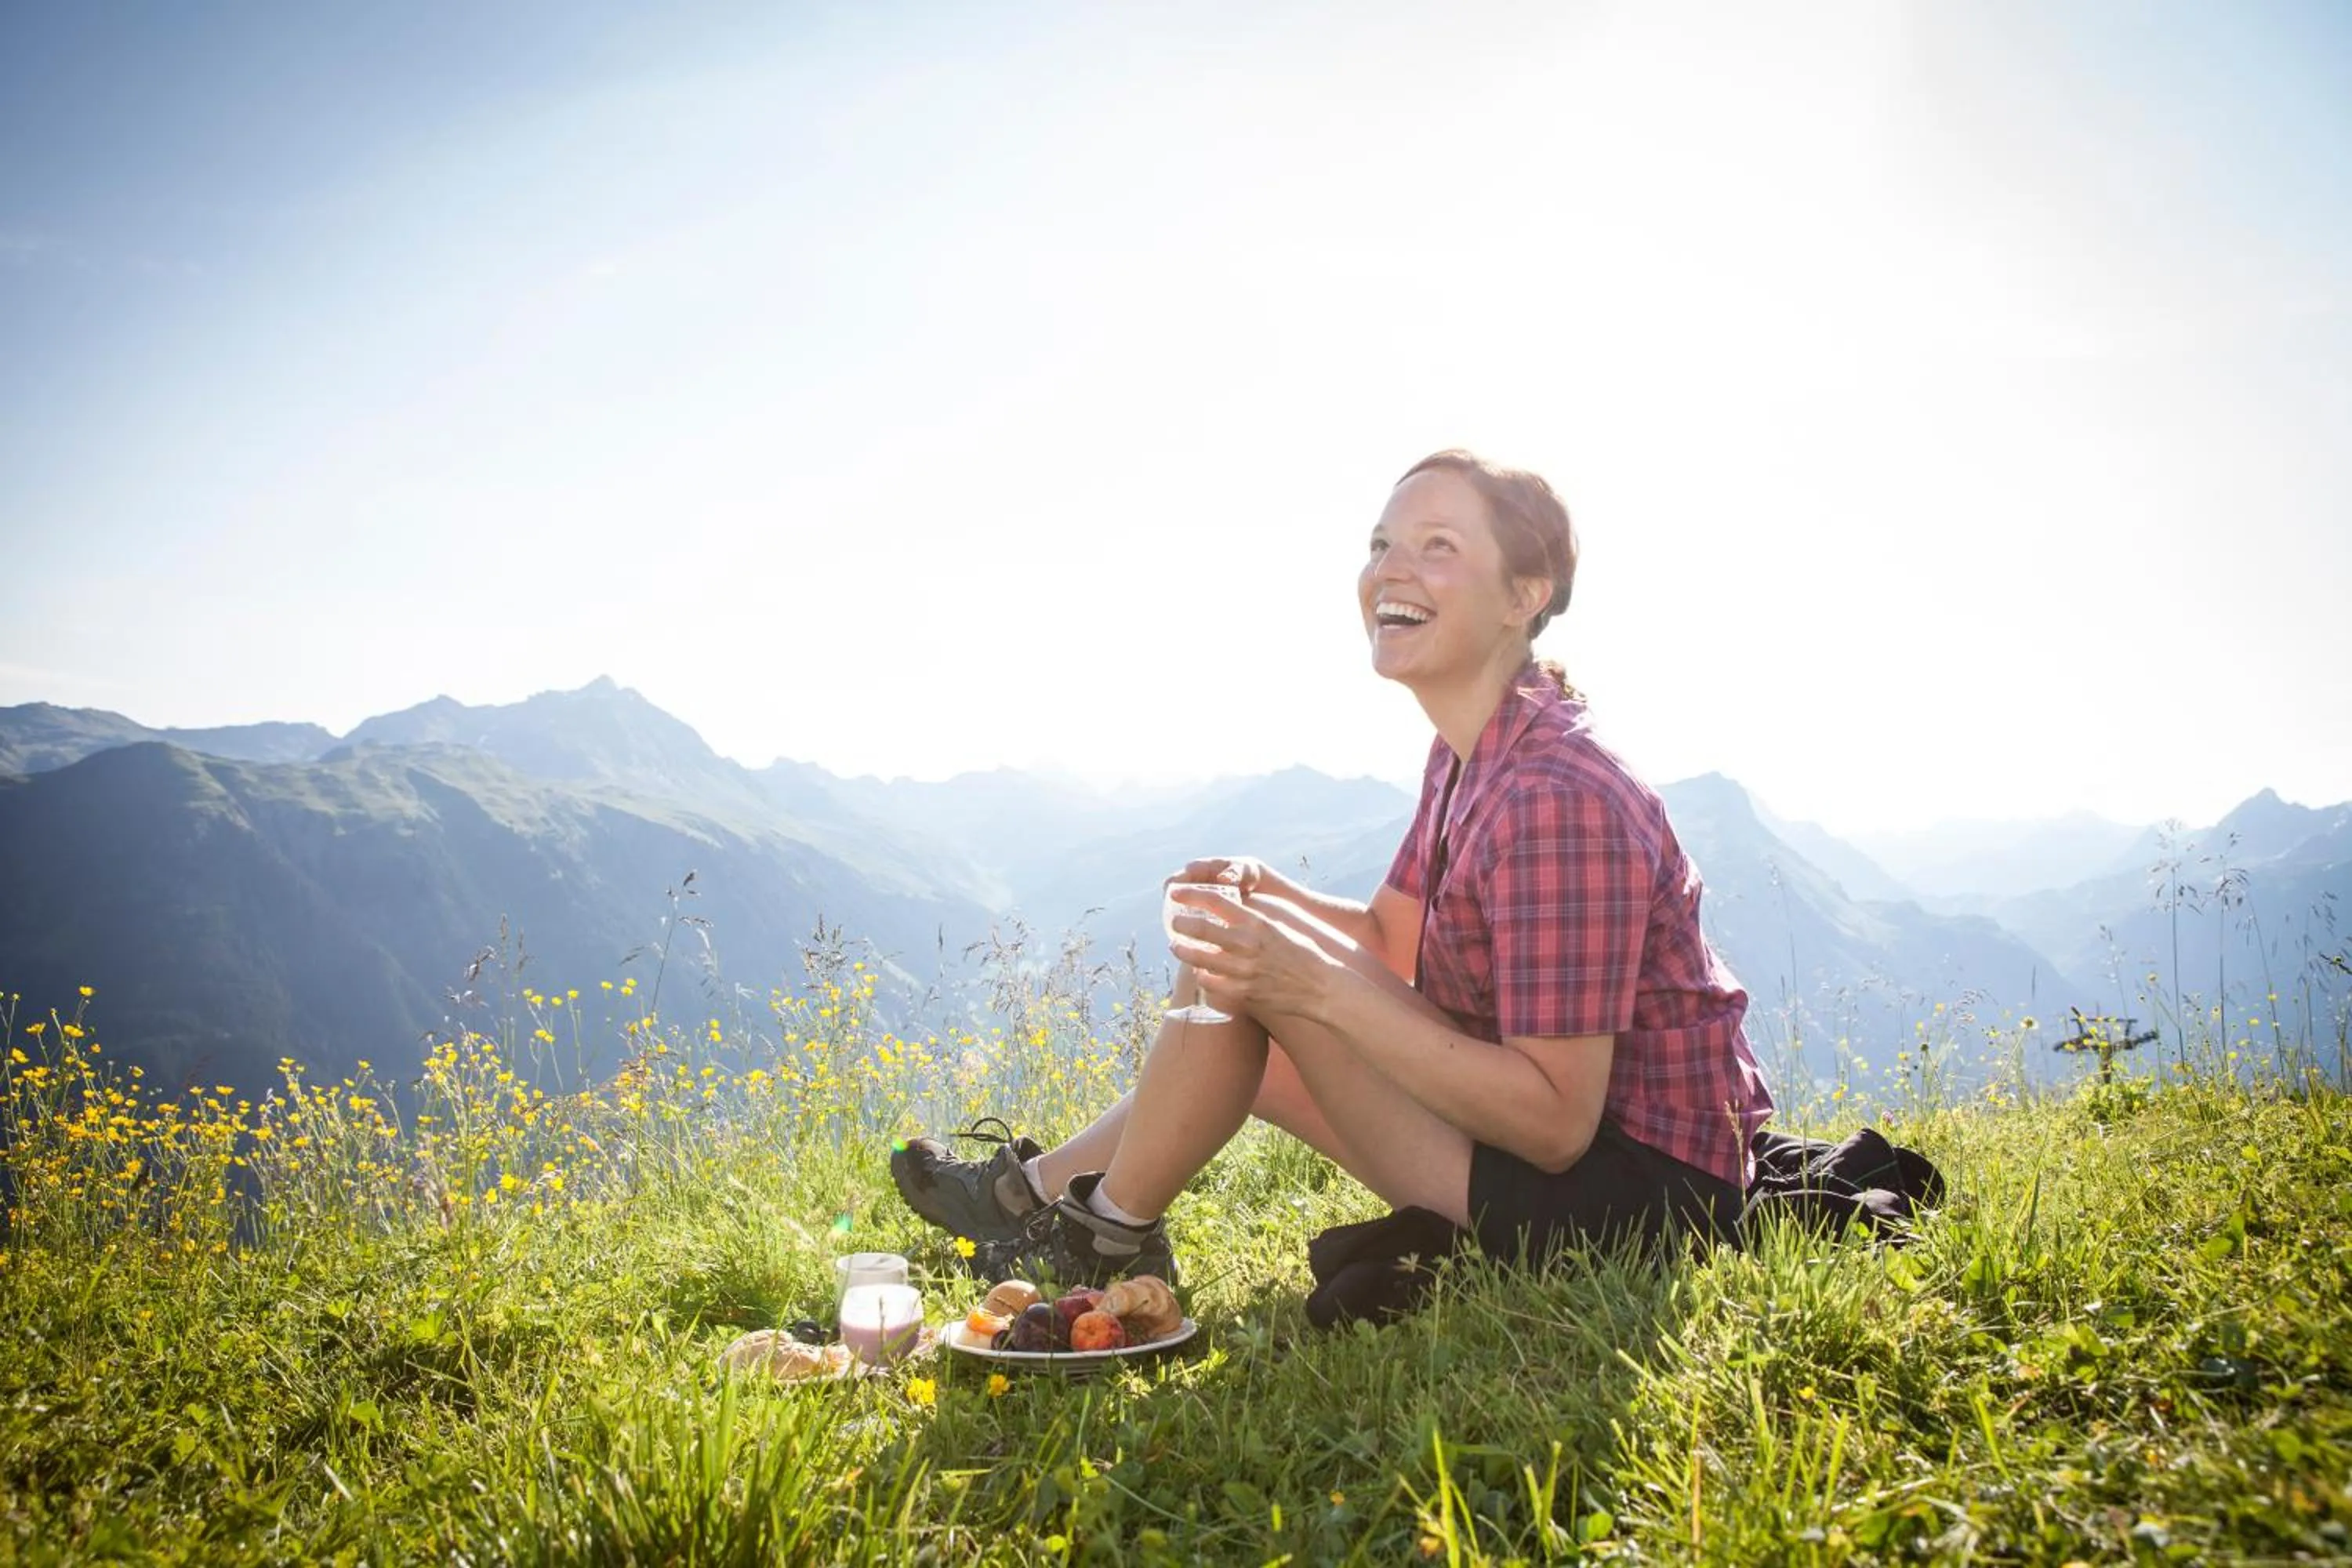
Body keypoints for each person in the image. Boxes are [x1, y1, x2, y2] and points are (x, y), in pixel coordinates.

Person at [891, 449, 1774, 1289]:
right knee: (1241, 962)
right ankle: (1040, 1198)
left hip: (1637, 1206)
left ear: (1524, 595)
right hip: (1567, 1162)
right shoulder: (1477, 748)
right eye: (1382, 543)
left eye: (1439, 546)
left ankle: (1093, 1237)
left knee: (1262, 974)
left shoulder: (1555, 796)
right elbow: (1394, 937)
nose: (1392, 567)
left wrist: (1308, 984)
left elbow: (1552, 1125)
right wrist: (1267, 894)